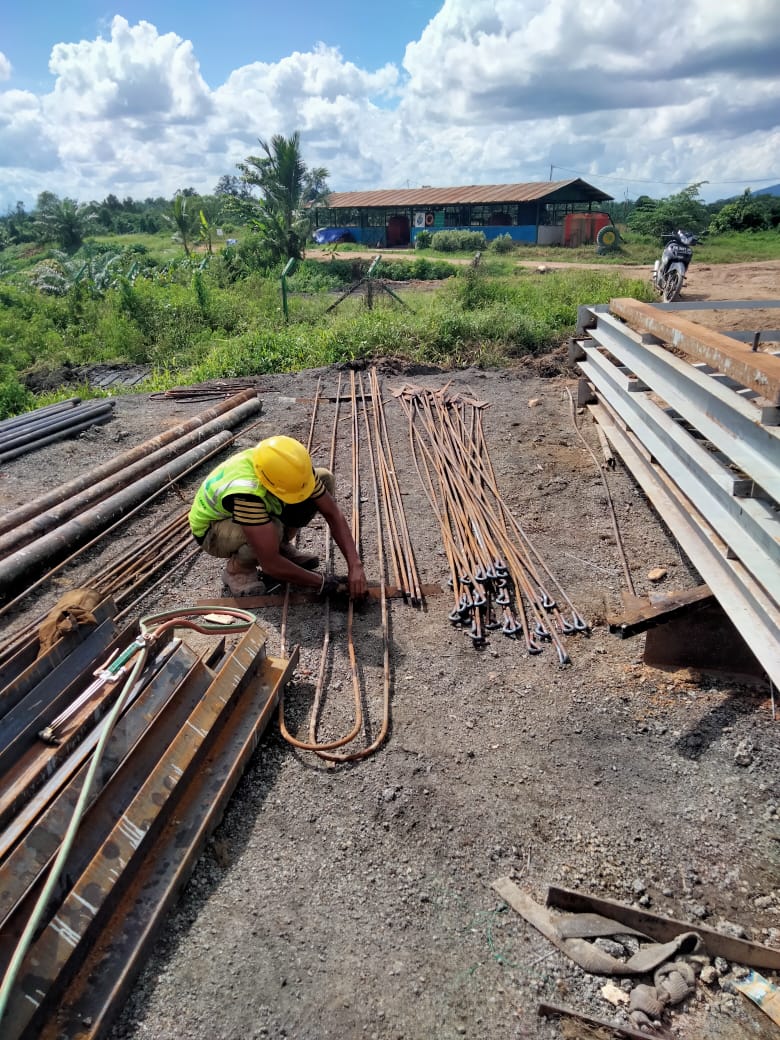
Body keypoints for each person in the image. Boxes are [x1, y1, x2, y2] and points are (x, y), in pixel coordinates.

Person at [189, 435, 368, 599]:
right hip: (213, 531)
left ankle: (279, 547)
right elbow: (270, 565)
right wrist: (324, 583)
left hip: (257, 508)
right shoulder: (246, 492)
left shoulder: (291, 467)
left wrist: (355, 564)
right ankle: (238, 570)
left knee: (324, 478)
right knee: (272, 529)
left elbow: (332, 513)